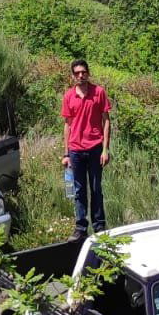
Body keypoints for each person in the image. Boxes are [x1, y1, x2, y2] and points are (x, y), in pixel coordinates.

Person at [60, 58, 111, 237]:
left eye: (83, 72)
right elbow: (68, 125)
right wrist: (66, 153)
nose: (81, 75)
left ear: (88, 72)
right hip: (75, 149)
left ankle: (99, 226)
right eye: (77, 73)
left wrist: (105, 149)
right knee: (79, 190)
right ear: (73, 76)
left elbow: (106, 121)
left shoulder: (99, 92)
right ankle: (81, 227)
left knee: (96, 188)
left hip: (95, 147)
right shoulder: (68, 96)